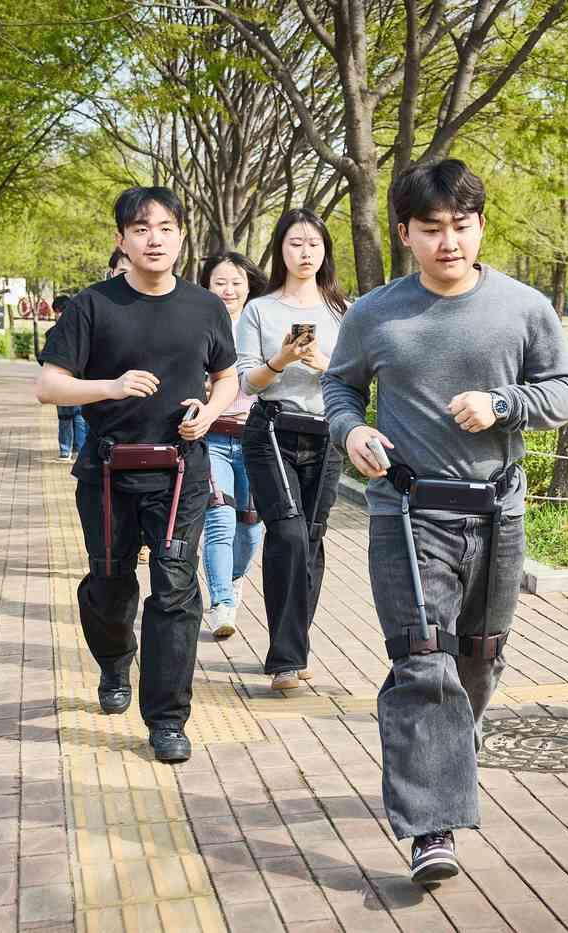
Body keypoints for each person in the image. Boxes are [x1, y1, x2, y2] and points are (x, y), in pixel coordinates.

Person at [323, 159, 568, 884]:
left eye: (461, 226)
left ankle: (447, 753)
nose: (448, 242)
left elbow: (563, 391)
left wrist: (502, 405)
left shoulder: (524, 307)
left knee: (479, 658)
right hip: (407, 512)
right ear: (404, 232)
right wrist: (351, 434)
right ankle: (432, 827)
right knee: (422, 661)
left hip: (498, 512)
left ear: (480, 226)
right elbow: (340, 390)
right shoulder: (375, 312)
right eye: (431, 229)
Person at [34, 186, 238, 763]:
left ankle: (167, 720)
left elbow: (225, 376)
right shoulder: (93, 306)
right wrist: (112, 386)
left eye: (167, 228)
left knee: (176, 589)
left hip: (181, 472)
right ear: (122, 239)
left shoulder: (204, 306)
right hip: (106, 471)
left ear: (181, 236)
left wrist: (211, 410)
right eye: (143, 228)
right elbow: (49, 386)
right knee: (109, 583)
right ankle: (115, 659)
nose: (156, 239)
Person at [236, 209, 347, 692]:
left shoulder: (347, 310)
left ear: (325, 252)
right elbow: (248, 380)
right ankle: (285, 658)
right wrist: (280, 359)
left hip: (327, 434)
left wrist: (325, 365)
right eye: (295, 243)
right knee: (289, 535)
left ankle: (294, 645)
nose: (305, 253)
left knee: (314, 537)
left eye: (314, 244)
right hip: (272, 432)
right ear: (280, 249)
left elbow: (357, 378)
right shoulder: (260, 310)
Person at [198, 252, 268, 639]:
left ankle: (234, 577)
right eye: (219, 282)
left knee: (251, 526)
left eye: (236, 281)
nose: (228, 289)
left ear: (248, 285)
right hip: (213, 437)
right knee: (219, 518)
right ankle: (222, 602)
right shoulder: (197, 323)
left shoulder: (261, 323)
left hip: (256, 439)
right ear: (207, 286)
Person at [52, 293, 88, 461]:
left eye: (59, 311)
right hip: (69, 381)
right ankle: (71, 450)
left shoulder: (54, 332)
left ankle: (72, 449)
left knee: (74, 417)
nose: (58, 314)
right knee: (69, 416)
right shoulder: (83, 329)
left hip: (72, 381)